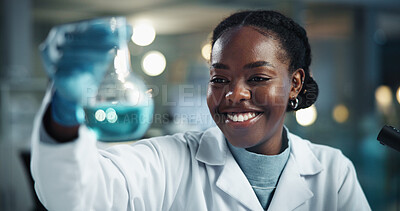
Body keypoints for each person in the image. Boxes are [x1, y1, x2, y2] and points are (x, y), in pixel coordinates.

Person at [31, 10, 371, 210]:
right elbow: (75, 198)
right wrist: (64, 109)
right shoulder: (169, 162)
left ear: (295, 83)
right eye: (219, 78)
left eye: (257, 77)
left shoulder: (333, 173)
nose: (234, 94)